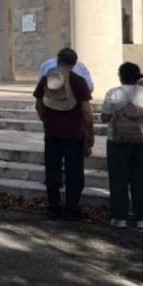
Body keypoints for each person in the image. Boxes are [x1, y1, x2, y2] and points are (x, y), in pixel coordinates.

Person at [33, 48, 93, 220]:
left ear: (58, 60)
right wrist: (90, 132)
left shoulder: (47, 79)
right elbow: (86, 110)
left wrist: (46, 120)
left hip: (52, 132)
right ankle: (72, 208)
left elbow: (38, 104)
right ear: (74, 64)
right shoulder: (78, 81)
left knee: (52, 171)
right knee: (74, 172)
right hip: (74, 134)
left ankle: (53, 207)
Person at [100, 62, 143, 229]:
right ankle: (142, 218)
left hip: (117, 140)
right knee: (141, 179)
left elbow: (105, 118)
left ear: (121, 76)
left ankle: (119, 217)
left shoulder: (114, 93)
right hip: (141, 140)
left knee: (118, 179)